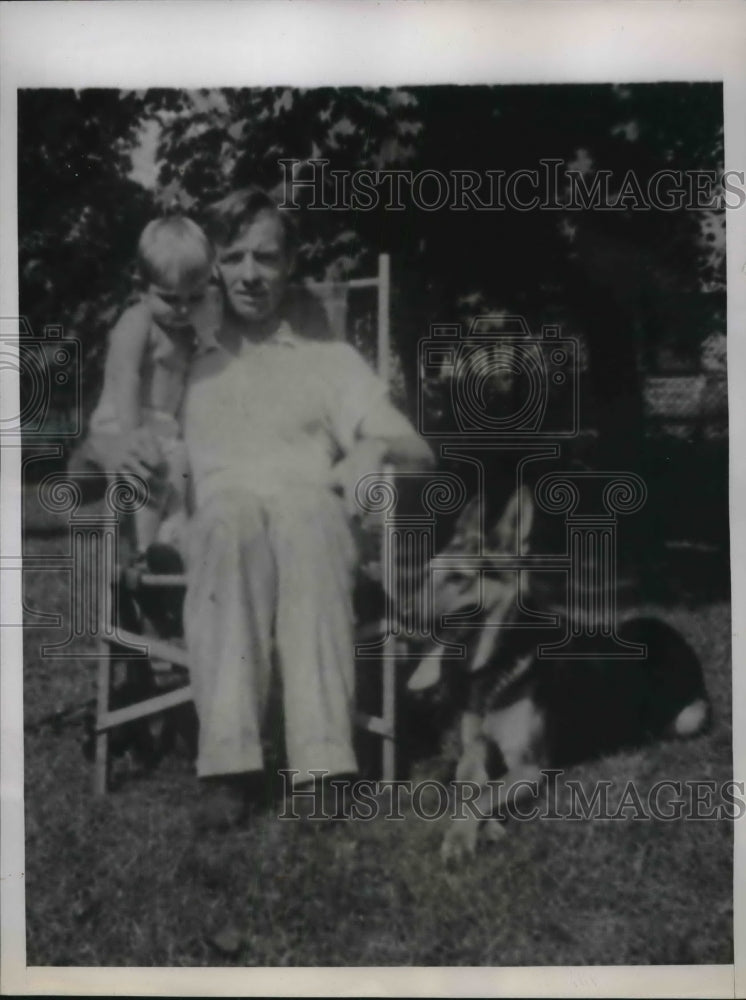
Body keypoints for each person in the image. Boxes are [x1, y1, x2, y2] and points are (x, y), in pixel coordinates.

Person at [91, 187, 433, 827]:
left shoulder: (329, 360)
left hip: (315, 530)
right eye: (236, 256)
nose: (250, 274)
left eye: (267, 257)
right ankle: (231, 763)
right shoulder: (185, 352)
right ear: (214, 266)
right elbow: (105, 437)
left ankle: (323, 767)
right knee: (232, 515)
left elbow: (417, 450)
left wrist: (372, 449)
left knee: (307, 513)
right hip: (219, 535)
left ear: (291, 262)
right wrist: (123, 448)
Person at [89, 213, 222, 561]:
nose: (182, 309)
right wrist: (131, 432)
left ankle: (172, 539)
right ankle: (145, 551)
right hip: (123, 419)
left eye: (193, 298)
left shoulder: (184, 330)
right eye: (169, 298)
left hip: (162, 425)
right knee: (148, 469)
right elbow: (126, 376)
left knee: (179, 473)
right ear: (140, 288)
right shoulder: (138, 322)